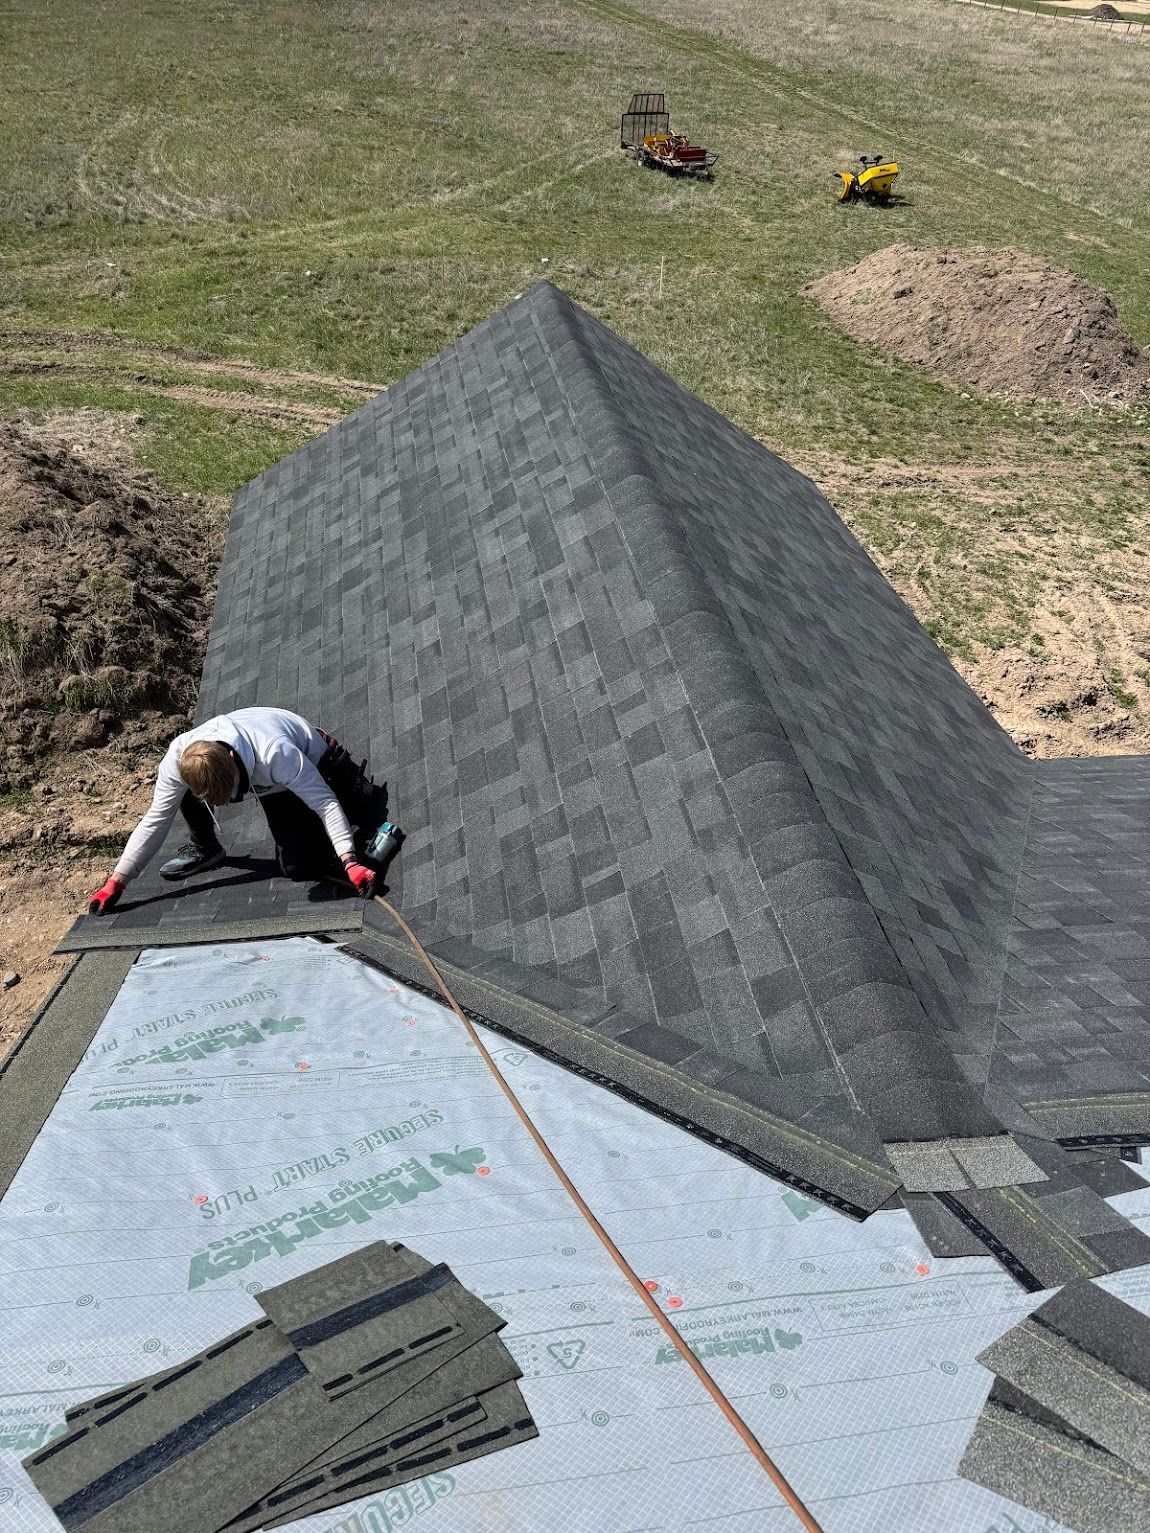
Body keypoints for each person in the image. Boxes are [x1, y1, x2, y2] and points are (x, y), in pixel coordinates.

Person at [87, 707, 382, 915]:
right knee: (179, 796)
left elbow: (324, 803)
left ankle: (349, 788)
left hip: (309, 758)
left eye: (230, 793)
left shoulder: (276, 754)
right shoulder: (178, 758)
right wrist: (116, 881)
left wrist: (350, 861)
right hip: (262, 776)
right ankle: (206, 848)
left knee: (300, 867)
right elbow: (156, 820)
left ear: (231, 758)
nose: (227, 804)